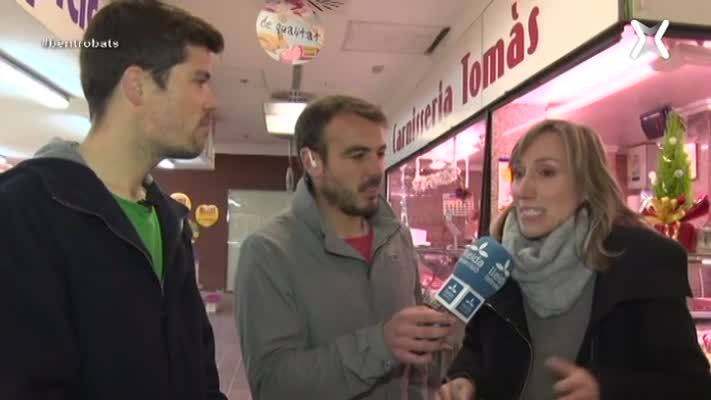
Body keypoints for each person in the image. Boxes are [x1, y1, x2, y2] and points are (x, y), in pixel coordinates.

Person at [0, 1, 227, 399]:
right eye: (199, 80)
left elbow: (201, 374)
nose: (212, 102)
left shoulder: (171, 221)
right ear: (137, 85)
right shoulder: (22, 211)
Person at [436, 119, 711, 400]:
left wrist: (607, 390)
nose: (523, 189)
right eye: (519, 173)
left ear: (586, 183)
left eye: (546, 172)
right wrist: (464, 377)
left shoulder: (644, 262)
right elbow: (475, 349)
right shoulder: (495, 259)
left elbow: (692, 386)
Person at [235, 95, 457, 399]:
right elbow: (274, 383)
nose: (376, 169)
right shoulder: (267, 252)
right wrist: (380, 346)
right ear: (312, 161)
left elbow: (416, 360)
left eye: (379, 154)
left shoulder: (398, 238)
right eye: (357, 155)